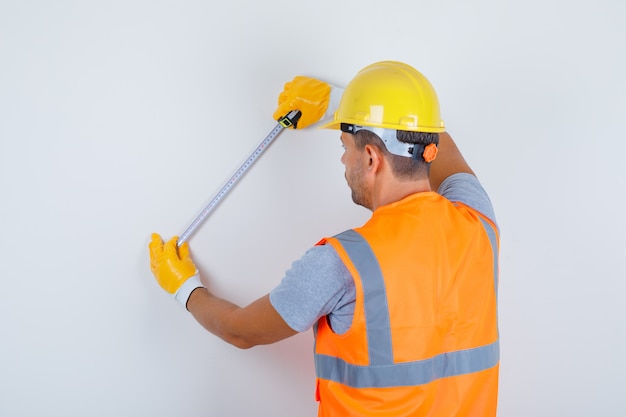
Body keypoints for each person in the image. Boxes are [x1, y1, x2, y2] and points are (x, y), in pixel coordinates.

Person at [149, 61, 500, 416]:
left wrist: (184, 287)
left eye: (344, 144)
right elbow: (436, 140)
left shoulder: (344, 263)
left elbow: (241, 331)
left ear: (370, 157)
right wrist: (340, 105)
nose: (343, 159)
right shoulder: (478, 222)